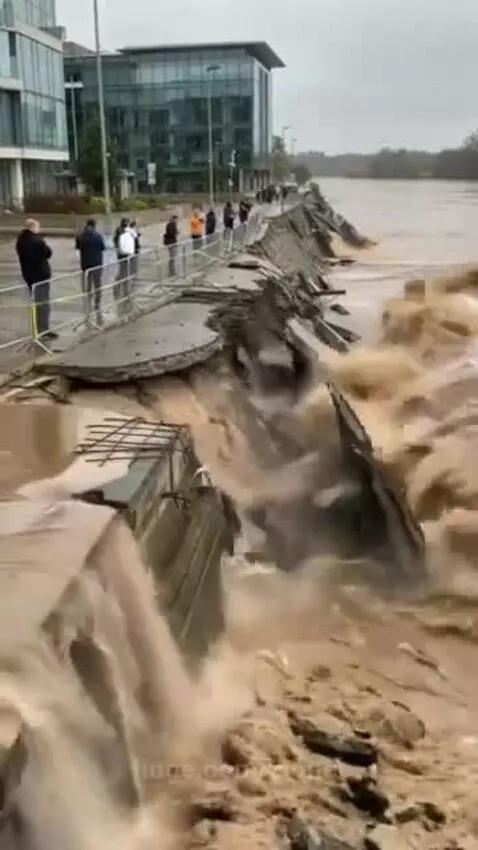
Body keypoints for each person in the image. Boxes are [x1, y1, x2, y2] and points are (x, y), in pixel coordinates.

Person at [16, 218, 57, 340]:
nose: (39, 229)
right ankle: (43, 330)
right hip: (40, 275)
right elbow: (48, 253)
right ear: (32, 228)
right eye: (38, 227)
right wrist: (42, 241)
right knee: (43, 304)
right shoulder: (37, 241)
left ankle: (37, 328)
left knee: (36, 303)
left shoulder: (20, 240)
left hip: (28, 275)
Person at [75, 218, 106, 323]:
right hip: (97, 263)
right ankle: (97, 302)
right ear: (94, 225)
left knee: (88, 284)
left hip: (85, 264)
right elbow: (103, 247)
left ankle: (88, 302)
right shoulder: (98, 236)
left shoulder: (81, 236)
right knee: (97, 284)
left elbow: (78, 247)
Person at [115, 220, 136, 312]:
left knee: (124, 270)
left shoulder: (122, 232)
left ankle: (123, 286)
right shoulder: (122, 233)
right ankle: (121, 286)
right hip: (124, 254)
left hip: (124, 254)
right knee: (124, 270)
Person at [130, 219, 141, 283]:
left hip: (133, 249)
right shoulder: (133, 231)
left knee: (133, 262)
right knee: (134, 262)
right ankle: (134, 275)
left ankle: (133, 275)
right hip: (134, 249)